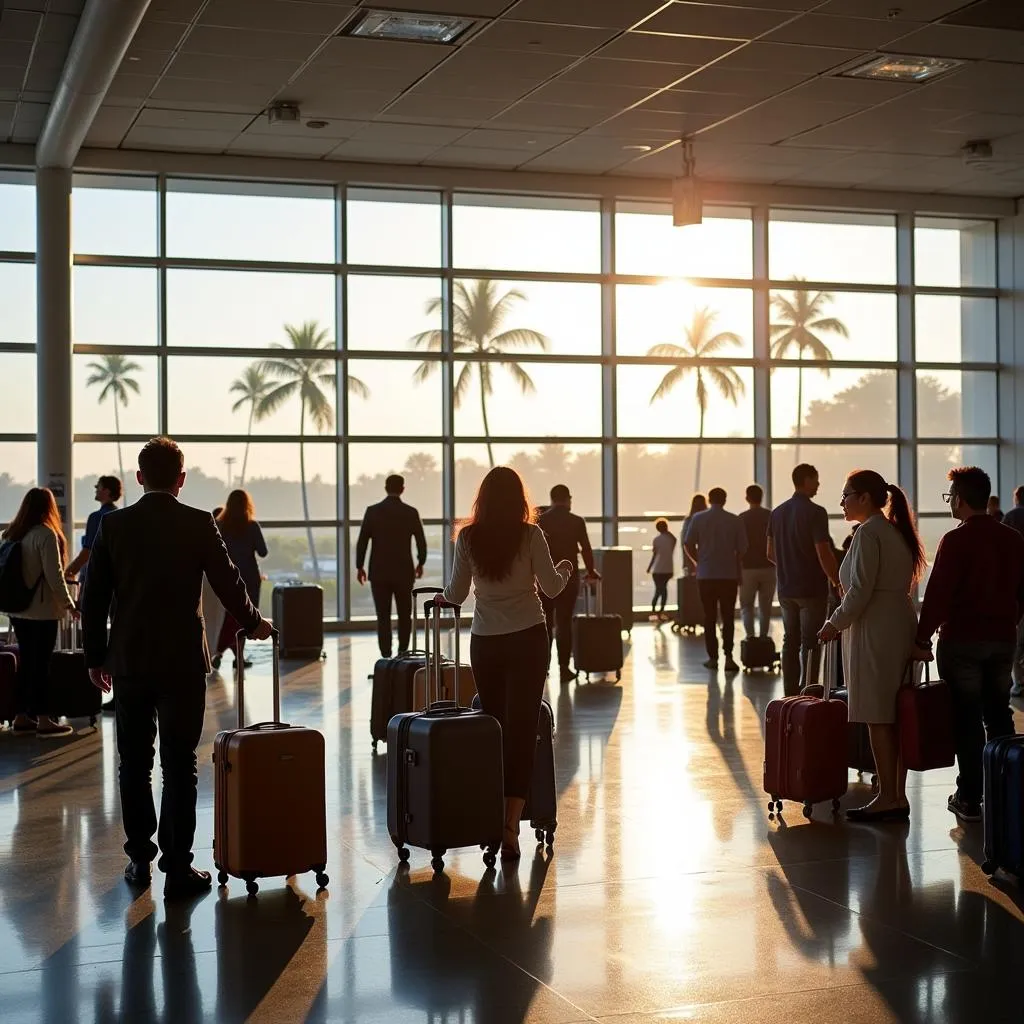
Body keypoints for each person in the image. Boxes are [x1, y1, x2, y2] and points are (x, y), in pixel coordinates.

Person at [82, 437, 272, 899]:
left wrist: (95, 657)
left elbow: (94, 597)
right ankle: (179, 868)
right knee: (180, 765)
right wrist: (254, 623)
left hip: (129, 661)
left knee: (133, 762)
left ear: (140, 477)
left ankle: (138, 858)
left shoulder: (115, 525)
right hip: (183, 661)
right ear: (181, 480)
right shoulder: (197, 522)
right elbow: (229, 580)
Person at [442, 467, 573, 860]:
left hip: (486, 642)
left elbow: (457, 593)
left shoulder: (467, 537)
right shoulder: (531, 535)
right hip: (528, 640)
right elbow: (551, 587)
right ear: (520, 499)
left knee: (493, 727)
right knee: (522, 729)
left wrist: (441, 600)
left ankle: (491, 812)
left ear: (481, 499)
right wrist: (565, 570)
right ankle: (511, 825)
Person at [913, 466, 1024, 824]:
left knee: (966, 718)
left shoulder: (955, 540)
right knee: (999, 713)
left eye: (950, 496)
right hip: (1003, 638)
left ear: (959, 499)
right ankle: (1007, 789)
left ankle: (969, 796)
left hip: (961, 640)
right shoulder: (1012, 538)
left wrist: (921, 637)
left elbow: (939, 594)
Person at [817, 470, 924, 822]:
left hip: (875, 631)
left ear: (864, 497)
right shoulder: (893, 531)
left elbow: (860, 591)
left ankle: (886, 797)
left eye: (847, 495)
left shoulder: (868, 534)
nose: (843, 502)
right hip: (897, 624)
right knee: (895, 716)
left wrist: (833, 624)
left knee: (879, 716)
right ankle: (896, 794)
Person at [2, 488, 79, 737]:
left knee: (26, 664)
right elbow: (55, 576)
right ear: (49, 508)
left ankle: (22, 717)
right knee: (41, 665)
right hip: (42, 612)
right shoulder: (45, 534)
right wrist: (70, 605)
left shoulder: (11, 534)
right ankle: (45, 720)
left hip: (18, 610)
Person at [768, 464, 839, 696]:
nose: (818, 484)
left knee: (790, 640)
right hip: (812, 588)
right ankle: (807, 690)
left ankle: (789, 693)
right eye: (815, 480)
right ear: (806, 480)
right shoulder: (816, 512)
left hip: (786, 588)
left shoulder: (776, 513)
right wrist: (836, 580)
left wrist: (789, 565)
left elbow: (769, 553)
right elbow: (823, 551)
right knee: (811, 642)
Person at [64, 475, 123, 713]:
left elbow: (87, 551)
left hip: (96, 583)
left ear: (107, 491)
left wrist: (69, 571)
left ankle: (98, 678)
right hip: (118, 585)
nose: (95, 491)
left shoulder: (97, 518)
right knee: (117, 633)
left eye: (98, 487)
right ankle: (119, 691)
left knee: (95, 630)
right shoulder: (121, 518)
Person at [355, 475, 427, 659]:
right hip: (404, 572)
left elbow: (362, 541)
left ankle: (386, 656)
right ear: (403, 489)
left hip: (379, 573)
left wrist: (360, 566)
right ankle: (403, 653)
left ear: (386, 488)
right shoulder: (411, 512)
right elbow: (420, 540)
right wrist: (421, 562)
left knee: (383, 616)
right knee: (405, 615)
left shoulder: (372, 512)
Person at [537, 484, 599, 683]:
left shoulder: (541, 520)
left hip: (543, 577)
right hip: (568, 578)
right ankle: (564, 668)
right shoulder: (577, 521)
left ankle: (543, 667)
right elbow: (586, 549)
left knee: (544, 622)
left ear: (552, 498)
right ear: (567, 499)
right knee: (564, 622)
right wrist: (591, 571)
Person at [683, 487, 747, 672]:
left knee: (709, 617)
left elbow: (688, 543)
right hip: (728, 575)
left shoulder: (698, 519)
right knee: (728, 617)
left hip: (706, 575)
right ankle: (728, 657)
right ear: (725, 500)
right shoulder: (735, 520)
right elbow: (742, 548)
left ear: (709, 500)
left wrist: (698, 561)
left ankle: (713, 658)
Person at [212, 490, 268, 671]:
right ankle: (236, 656)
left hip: (227, 576)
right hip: (250, 578)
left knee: (229, 617)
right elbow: (263, 552)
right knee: (245, 617)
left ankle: (221, 652)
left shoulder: (220, 525)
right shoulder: (252, 526)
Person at [737, 484, 775, 640]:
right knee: (765, 607)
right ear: (762, 497)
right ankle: (764, 637)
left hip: (747, 568)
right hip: (769, 566)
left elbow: (738, 545)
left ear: (747, 498)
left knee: (746, 606)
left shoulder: (741, 518)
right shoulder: (771, 516)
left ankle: (750, 637)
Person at [1002, 486, 1024, 697]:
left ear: (1016, 497)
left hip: (1017, 591)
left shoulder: (1010, 518)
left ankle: (1019, 684)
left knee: (1016, 644)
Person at [201, 507, 227, 670]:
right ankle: (214, 651)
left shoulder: (207, 528)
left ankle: (209, 652)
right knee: (218, 619)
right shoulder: (228, 535)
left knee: (208, 617)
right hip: (220, 582)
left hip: (206, 582)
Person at [646, 518, 676, 623]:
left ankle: (654, 611)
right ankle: (659, 612)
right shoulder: (671, 539)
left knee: (658, 590)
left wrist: (649, 567)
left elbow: (654, 555)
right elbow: (675, 539)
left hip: (658, 570)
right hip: (668, 569)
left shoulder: (656, 540)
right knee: (663, 591)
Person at [682, 493, 707, 576]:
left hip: (692, 557)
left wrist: (686, 561)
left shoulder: (689, 520)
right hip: (707, 556)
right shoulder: (708, 519)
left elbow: (686, 542)